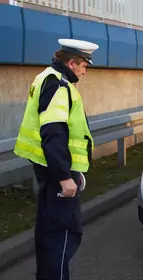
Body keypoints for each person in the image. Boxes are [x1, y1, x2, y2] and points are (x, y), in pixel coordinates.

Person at [13, 38, 99, 280]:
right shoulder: (59, 85)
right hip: (58, 173)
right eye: (84, 65)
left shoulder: (47, 77)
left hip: (47, 169)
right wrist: (64, 177)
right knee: (62, 235)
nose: (85, 70)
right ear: (71, 63)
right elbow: (53, 132)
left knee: (48, 231)